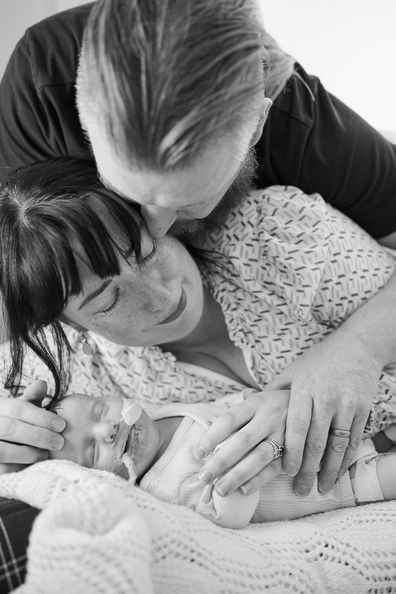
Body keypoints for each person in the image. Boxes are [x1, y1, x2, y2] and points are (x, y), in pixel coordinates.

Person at [1, 1, 396, 498]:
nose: (157, 224)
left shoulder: (296, 156)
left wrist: (357, 348)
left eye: (187, 205)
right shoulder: (42, 103)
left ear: (255, 130)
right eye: (129, 200)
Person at [1, 159, 396, 502]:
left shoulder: (274, 233)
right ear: (71, 324)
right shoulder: (78, 366)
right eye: (108, 301)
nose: (160, 296)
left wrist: (358, 347)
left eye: (147, 251)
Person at [45, 390, 396, 529]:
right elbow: (228, 516)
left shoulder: (165, 414)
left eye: (99, 411)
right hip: (332, 484)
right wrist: (229, 472)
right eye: (94, 451)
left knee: (378, 432)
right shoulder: (164, 490)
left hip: (325, 439)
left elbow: (232, 406)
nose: (106, 429)